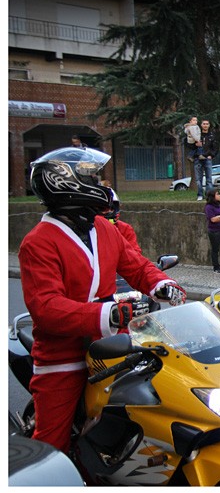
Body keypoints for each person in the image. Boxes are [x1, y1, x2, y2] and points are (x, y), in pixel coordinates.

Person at [19, 146, 186, 453]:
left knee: (148, 408)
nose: (100, 184)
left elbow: (136, 265)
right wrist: (108, 314)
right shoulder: (37, 243)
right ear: (65, 183)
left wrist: (161, 283)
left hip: (113, 347)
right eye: (92, 177)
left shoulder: (103, 229)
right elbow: (46, 308)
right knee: (51, 442)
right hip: (62, 356)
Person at [103, 189, 142, 254]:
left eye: (112, 208)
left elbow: (135, 256)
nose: (109, 211)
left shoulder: (124, 229)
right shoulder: (88, 229)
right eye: (104, 208)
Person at [194, 119, 219, 201]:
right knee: (198, 179)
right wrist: (195, 145)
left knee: (209, 179)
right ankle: (200, 195)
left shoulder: (212, 135)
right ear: (201, 125)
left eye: (207, 124)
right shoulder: (197, 135)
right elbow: (189, 144)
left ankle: (209, 196)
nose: (205, 125)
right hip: (198, 158)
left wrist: (211, 155)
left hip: (207, 158)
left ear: (209, 125)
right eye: (204, 124)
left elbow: (215, 147)